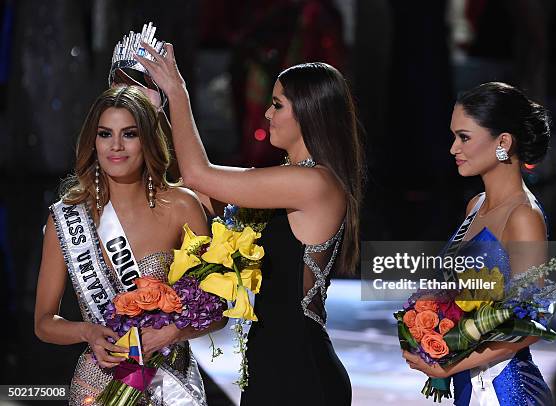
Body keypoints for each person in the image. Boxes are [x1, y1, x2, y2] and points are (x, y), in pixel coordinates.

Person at [135, 43, 362, 405]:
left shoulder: (315, 183)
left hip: (300, 372)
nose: (267, 115)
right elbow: (198, 189)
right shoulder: (287, 182)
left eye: (278, 105)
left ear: (309, 112)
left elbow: (199, 175)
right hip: (270, 364)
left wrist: (177, 91)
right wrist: (161, 113)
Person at [34, 86, 226, 405]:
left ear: (147, 140)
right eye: (106, 134)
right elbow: (43, 323)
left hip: (172, 385)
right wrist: (88, 332)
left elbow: (217, 309)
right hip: (99, 386)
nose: (117, 146)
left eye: (130, 134)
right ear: (93, 143)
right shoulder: (67, 218)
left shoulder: (182, 206)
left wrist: (173, 331)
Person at [402, 82, 554, 405]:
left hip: (506, 392)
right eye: (454, 136)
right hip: (468, 389)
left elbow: (533, 322)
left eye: (464, 137)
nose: (453, 149)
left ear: (503, 142)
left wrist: (450, 362)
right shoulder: (475, 206)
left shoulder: (523, 217)